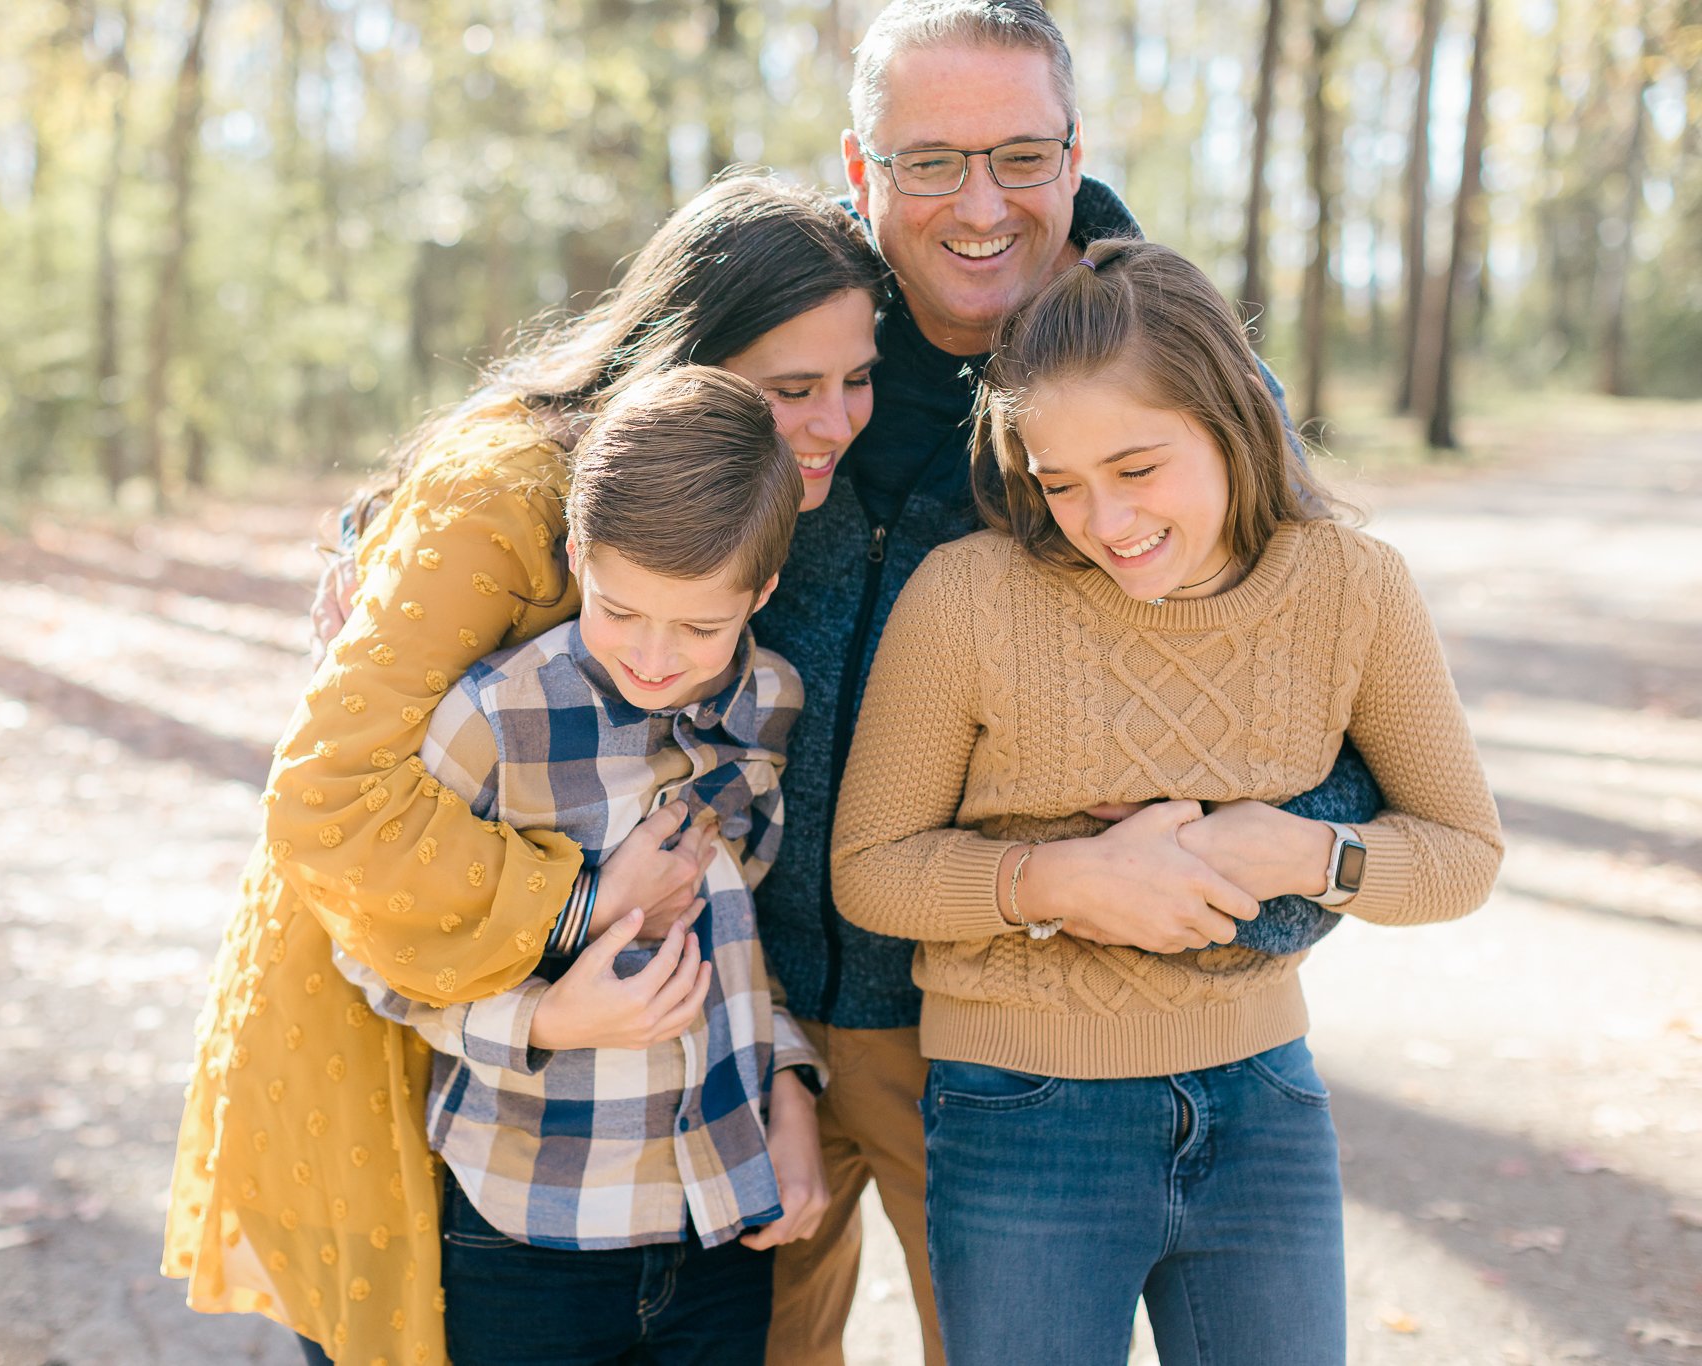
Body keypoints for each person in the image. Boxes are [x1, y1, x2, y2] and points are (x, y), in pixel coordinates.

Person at [161, 175, 884, 1365]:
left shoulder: (731, 577)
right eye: (790, 387)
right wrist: (588, 908)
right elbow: (326, 794)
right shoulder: (512, 489)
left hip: (631, 1142)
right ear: (682, 369)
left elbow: (721, 894)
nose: (831, 420)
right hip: (390, 983)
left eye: (854, 379)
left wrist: (780, 1075)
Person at [750, 5, 1378, 1360]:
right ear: (861, 173)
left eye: (1021, 156)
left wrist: (1219, 906)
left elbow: (1335, 709)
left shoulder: (1174, 368)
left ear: (1075, 151)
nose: (981, 204)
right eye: (930, 162)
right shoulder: (780, 315)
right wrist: (376, 527)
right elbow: (581, 438)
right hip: (746, 1005)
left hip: (989, 1040)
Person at [830, 238, 1505, 1364]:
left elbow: (1460, 853)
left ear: (1232, 418)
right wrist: (1062, 883)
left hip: (1262, 1105)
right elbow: (871, 865)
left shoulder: (1352, 585)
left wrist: (1296, 852)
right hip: (1018, 1115)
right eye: (1058, 482)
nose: (1103, 519)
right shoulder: (967, 596)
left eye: (1136, 468)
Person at [336, 366, 824, 1365]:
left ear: (761, 592)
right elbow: (375, 956)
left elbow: (741, 932)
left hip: (717, 1221)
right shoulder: (492, 721)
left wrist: (793, 1090)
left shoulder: (770, 701)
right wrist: (545, 1018)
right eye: (619, 609)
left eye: (699, 627)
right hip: (526, 1233)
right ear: (575, 556)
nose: (653, 656)